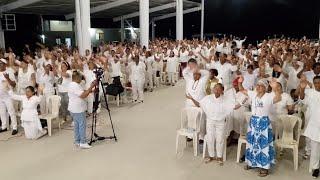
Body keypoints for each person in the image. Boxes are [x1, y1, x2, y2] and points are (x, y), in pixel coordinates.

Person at [238, 77, 282, 177]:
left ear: (265, 87)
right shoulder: (253, 94)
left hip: (263, 122)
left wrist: (276, 88)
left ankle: (264, 167)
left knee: (263, 145)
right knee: (252, 143)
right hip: (253, 122)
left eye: (261, 85)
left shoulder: (269, 96)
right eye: (257, 85)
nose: (258, 87)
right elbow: (241, 89)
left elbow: (279, 98)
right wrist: (240, 82)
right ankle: (252, 162)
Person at [187, 83, 235, 165]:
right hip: (210, 121)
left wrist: (241, 103)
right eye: (215, 88)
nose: (216, 90)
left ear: (222, 90)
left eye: (218, 88)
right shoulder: (208, 98)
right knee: (210, 138)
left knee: (220, 139)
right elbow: (199, 104)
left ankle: (219, 156)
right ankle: (211, 155)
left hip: (220, 122)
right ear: (213, 89)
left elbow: (233, 106)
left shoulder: (226, 99)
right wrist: (192, 98)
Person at [296, 75, 320, 178]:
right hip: (315, 125)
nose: (318, 84)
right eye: (316, 83)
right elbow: (302, 98)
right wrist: (302, 88)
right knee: (315, 149)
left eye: (319, 82)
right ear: (313, 84)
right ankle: (316, 168)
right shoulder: (311, 93)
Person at [68, 70, 96, 149]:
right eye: (80, 78)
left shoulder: (72, 84)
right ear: (77, 78)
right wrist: (91, 86)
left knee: (77, 125)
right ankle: (83, 142)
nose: (81, 79)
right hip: (78, 109)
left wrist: (90, 90)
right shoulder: (75, 85)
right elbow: (83, 95)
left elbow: (81, 92)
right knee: (81, 125)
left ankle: (77, 141)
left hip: (73, 108)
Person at [0, 58, 18, 135]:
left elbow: (14, 84)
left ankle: (15, 127)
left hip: (8, 96)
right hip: (0, 97)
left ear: (4, 64)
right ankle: (4, 127)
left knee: (11, 111)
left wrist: (7, 78)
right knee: (2, 112)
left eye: (1, 63)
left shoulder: (9, 71)